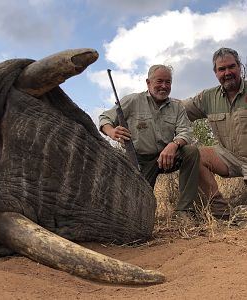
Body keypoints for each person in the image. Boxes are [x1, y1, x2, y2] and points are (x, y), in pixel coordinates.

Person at [99, 64, 200, 220]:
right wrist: (112, 131)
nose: (164, 86)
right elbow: (105, 118)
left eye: (168, 82)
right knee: (137, 208)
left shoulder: (177, 107)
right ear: (148, 82)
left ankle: (184, 211)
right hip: (140, 161)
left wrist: (174, 145)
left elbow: (185, 132)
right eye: (159, 81)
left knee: (191, 152)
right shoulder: (132, 100)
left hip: (166, 157)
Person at [183, 47, 247, 218]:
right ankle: (221, 210)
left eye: (231, 67)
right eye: (221, 69)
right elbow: (177, 110)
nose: (227, 72)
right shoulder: (208, 97)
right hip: (229, 156)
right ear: (215, 72)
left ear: (239, 66)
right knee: (195, 155)